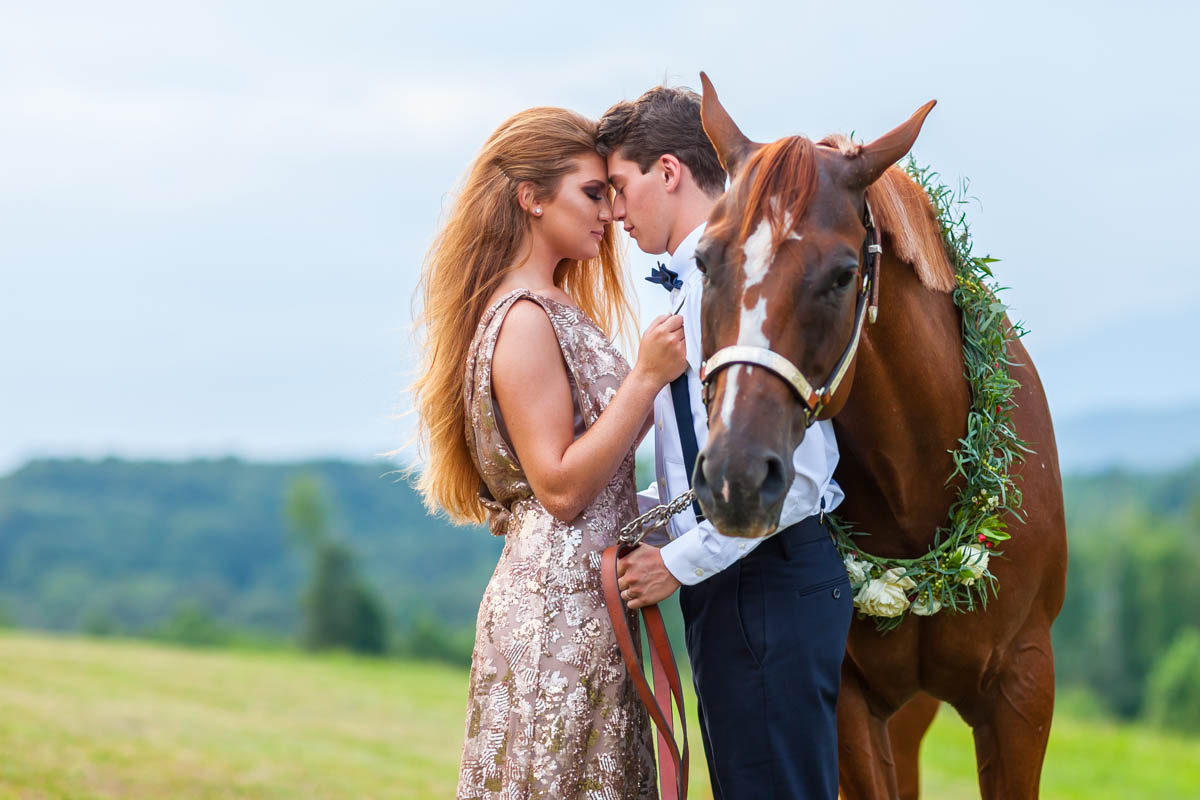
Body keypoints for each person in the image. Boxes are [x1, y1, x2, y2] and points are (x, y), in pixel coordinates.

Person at [411, 106, 688, 799]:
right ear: (531, 198)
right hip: (555, 613)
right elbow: (560, 488)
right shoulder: (526, 318)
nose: (610, 212)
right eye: (593, 193)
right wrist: (648, 378)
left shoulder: (550, 304)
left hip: (588, 604)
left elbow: (614, 446)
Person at [597, 86, 854, 799]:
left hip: (768, 580)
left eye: (621, 187)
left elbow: (802, 476)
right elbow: (694, 464)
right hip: (734, 586)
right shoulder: (697, 292)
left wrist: (676, 563)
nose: (615, 212)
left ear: (670, 172)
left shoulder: (747, 287)